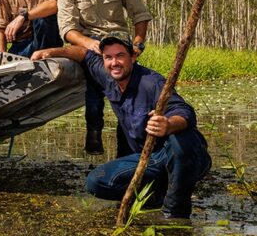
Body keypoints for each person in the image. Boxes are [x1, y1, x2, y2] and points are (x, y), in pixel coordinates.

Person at [31, 32, 211, 219]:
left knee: (180, 140)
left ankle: (176, 212)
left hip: (176, 154)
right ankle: (156, 194)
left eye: (120, 56)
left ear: (132, 57)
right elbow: (84, 54)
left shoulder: (151, 82)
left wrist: (168, 124)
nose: (114, 62)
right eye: (108, 57)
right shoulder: (108, 74)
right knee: (96, 182)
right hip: (149, 160)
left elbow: (183, 111)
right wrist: (51, 52)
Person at [57, 0, 152, 155]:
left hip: (119, 42)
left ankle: (102, 135)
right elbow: (68, 29)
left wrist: (137, 45)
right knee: (106, 79)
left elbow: (140, 14)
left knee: (128, 86)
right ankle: (102, 133)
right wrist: (89, 43)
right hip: (90, 43)